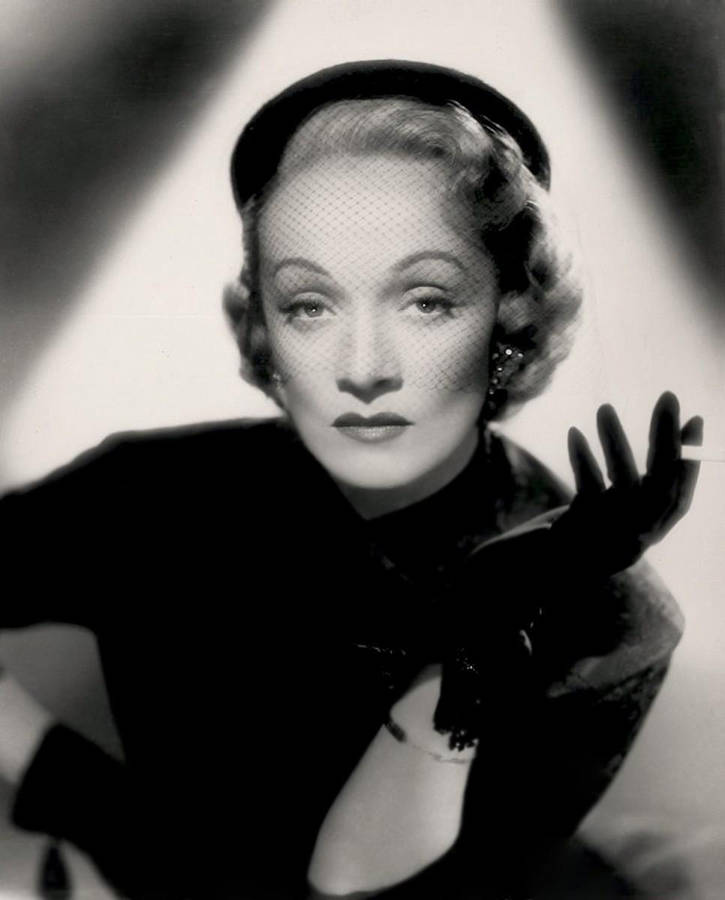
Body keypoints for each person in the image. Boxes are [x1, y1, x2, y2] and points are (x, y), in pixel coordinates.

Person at [0, 60, 703, 900]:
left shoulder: (611, 613)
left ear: (508, 321)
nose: (363, 368)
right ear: (264, 333)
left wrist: (470, 649)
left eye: (426, 301)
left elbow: (356, 891)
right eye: (310, 305)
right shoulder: (150, 494)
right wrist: (54, 773)